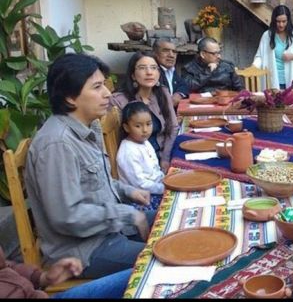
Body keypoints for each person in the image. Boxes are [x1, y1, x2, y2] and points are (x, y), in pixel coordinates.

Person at [24, 53, 154, 279]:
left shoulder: (86, 128)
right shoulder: (57, 143)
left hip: (108, 231)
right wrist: (126, 213)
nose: (107, 93)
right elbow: (67, 216)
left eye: (104, 85)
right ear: (70, 97)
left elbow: (92, 183)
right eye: (97, 87)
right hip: (85, 251)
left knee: (172, 221)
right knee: (167, 256)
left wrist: (127, 191)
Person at [110, 52, 179, 172]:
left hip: (164, 154)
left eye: (153, 68)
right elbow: (116, 143)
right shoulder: (118, 101)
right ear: (133, 75)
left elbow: (173, 127)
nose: (149, 72)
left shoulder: (162, 92)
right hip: (138, 164)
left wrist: (165, 159)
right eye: (142, 68)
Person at [0, 245, 131, 298]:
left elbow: (5, 266)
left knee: (139, 276)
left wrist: (42, 277)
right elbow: (66, 220)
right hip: (88, 248)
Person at [117, 101, 165, 212]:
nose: (145, 130)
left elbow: (155, 169)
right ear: (126, 127)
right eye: (138, 126)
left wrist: (165, 179)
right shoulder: (128, 151)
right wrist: (164, 188)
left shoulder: (144, 141)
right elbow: (140, 184)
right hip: (142, 197)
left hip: (156, 187)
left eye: (149, 124)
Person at [252, 4, 293, 90]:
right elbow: (260, 56)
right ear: (274, 20)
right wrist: (253, 67)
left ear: (288, 21)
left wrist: (292, 56)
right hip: (272, 79)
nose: (281, 25)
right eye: (278, 21)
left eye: (284, 21)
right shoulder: (267, 35)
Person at [153, 38, 190, 108]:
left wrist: (179, 94)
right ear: (155, 54)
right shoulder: (152, 72)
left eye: (174, 52)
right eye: (166, 51)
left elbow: (183, 85)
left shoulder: (171, 69)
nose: (171, 55)